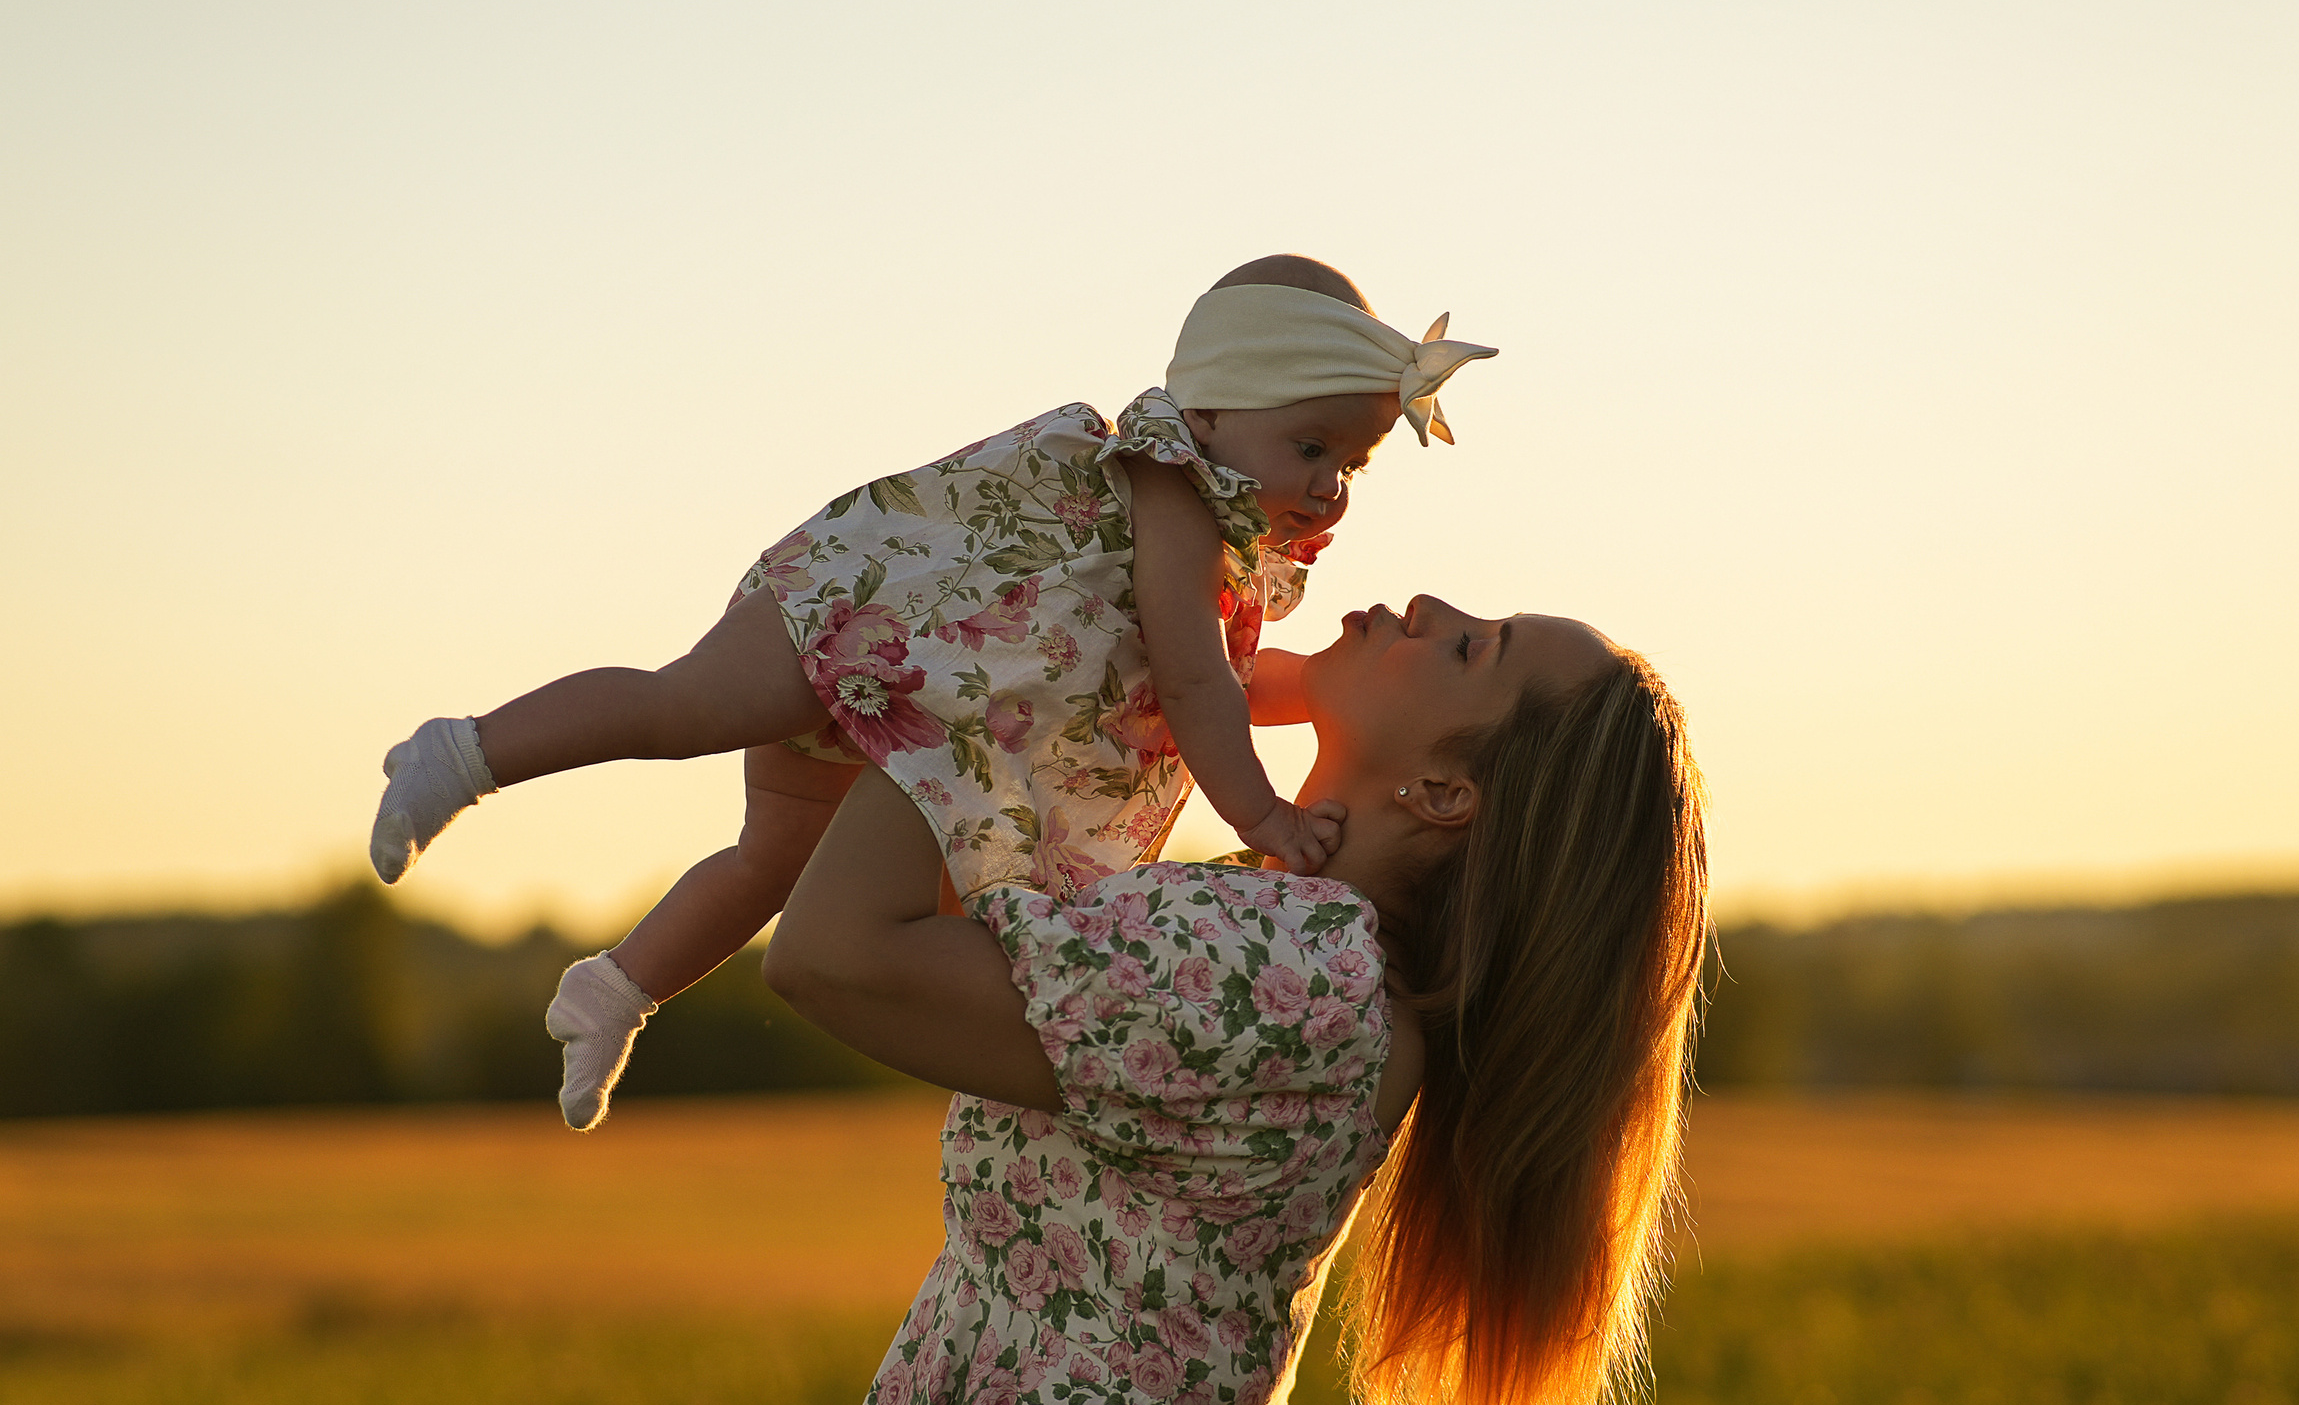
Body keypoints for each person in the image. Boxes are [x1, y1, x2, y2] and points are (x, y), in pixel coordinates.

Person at [363, 255, 1496, 1128]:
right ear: (1212, 406)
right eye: (1311, 446)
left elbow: (1234, 676)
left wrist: (1337, 706)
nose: (1329, 488)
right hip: (879, 627)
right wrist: (1263, 816)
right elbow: (1198, 679)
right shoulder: (1172, 485)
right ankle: (465, 754)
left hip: (928, 713)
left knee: (772, 864)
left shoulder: (1226, 552)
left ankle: (614, 994)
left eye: (1348, 467)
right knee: (685, 707)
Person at [762, 592, 1712, 1405]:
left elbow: (835, 957)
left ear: (1444, 792)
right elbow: (944, 927)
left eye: (1470, 648)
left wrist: (988, 663)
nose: (1427, 603)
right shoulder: (1300, 951)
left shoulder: (1281, 967)